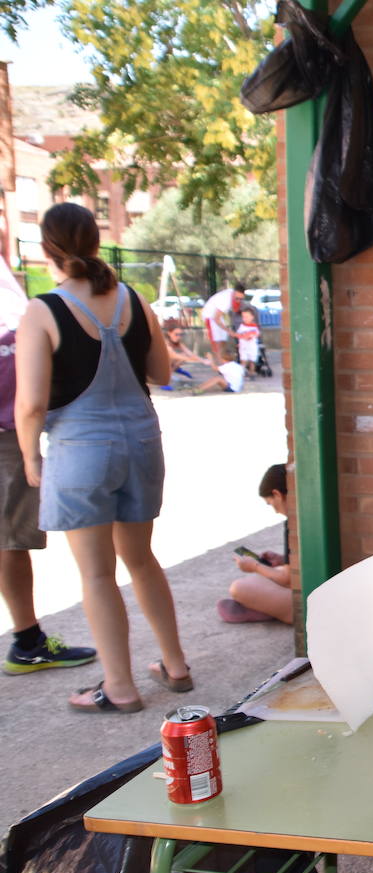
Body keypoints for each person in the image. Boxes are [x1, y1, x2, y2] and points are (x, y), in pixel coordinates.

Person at [14, 202, 192, 712]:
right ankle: (175, 666)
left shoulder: (43, 310)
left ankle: (119, 687)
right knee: (141, 559)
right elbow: (161, 372)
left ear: (48, 249)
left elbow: (30, 403)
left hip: (80, 449)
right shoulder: (135, 300)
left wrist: (30, 458)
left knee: (96, 573)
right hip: (141, 441)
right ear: (96, 242)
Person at [1, 260, 97, 675]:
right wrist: (28, 449)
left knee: (13, 538)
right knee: (11, 539)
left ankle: (28, 640)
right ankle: (27, 642)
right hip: (7, 433)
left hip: (11, 428)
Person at [218, 463, 292, 624]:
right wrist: (282, 559)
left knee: (238, 588)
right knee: (276, 569)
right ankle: (265, 605)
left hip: (308, 603)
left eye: (270, 503)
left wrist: (255, 567)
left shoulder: (293, 523)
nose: (275, 510)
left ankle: (267, 609)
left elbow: (287, 579)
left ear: (277, 494)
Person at [200, 282, 243, 364]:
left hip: (217, 316)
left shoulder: (233, 293)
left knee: (223, 340)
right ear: (234, 293)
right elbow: (216, 319)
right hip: (210, 316)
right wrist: (229, 331)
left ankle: (224, 362)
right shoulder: (225, 301)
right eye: (237, 298)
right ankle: (221, 366)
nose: (238, 300)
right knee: (217, 343)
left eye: (241, 299)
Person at [235, 305, 260, 379]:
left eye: (247, 317)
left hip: (252, 346)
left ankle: (251, 373)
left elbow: (257, 334)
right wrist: (240, 340)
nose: (245, 319)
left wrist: (252, 335)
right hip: (244, 346)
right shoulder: (242, 326)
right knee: (243, 360)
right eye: (243, 317)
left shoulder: (254, 326)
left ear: (252, 317)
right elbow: (238, 334)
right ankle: (242, 373)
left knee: (252, 360)